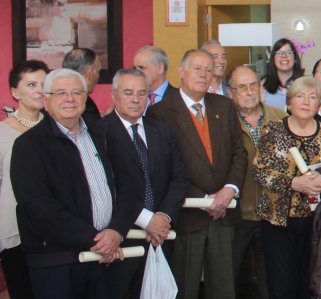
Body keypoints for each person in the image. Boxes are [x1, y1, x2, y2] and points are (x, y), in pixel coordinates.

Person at [11, 68, 141, 297]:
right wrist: (97, 241)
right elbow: (38, 208)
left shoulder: (105, 134)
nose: (70, 99)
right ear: (46, 99)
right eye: (60, 93)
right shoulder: (28, 146)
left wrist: (117, 232)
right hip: (57, 263)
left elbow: (131, 188)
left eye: (76, 92)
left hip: (107, 258)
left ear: (85, 97)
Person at [147, 48, 248, 299]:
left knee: (224, 289)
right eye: (197, 68)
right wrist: (203, 198)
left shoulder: (224, 106)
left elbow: (239, 153)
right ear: (180, 71)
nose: (203, 74)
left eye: (208, 69)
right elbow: (163, 167)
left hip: (223, 213)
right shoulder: (161, 112)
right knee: (185, 288)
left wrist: (228, 190)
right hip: (185, 215)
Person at [254, 75, 321, 299]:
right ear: (289, 102)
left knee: (312, 284)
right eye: (299, 96)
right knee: (282, 286)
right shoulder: (272, 131)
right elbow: (259, 172)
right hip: (278, 221)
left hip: (318, 222)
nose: (306, 102)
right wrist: (294, 183)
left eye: (312, 97)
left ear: (319, 104)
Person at [103, 67, 190, 299]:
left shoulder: (162, 129)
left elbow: (179, 177)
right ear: (114, 95)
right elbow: (110, 186)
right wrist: (146, 219)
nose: (135, 99)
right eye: (128, 92)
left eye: (142, 93)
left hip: (162, 234)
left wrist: (162, 217)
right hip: (122, 236)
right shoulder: (100, 132)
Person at [230, 64, 286, 299]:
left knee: (270, 279)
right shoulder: (224, 120)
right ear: (231, 92)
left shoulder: (280, 117)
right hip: (237, 214)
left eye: (253, 84)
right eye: (242, 87)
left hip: (272, 212)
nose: (249, 91)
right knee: (233, 276)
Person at [0, 60, 48, 299]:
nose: (40, 89)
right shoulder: (3, 133)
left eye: (43, 83)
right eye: (31, 84)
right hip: (14, 230)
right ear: (15, 92)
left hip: (53, 231)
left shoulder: (56, 129)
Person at [61, 47, 103, 125]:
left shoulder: (56, 98)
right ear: (88, 73)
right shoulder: (84, 103)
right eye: (98, 71)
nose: (98, 76)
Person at [263, 38, 302, 110]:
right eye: (279, 53)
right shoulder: (263, 84)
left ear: (295, 58)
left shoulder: (304, 83)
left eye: (288, 53)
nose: (284, 56)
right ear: (273, 59)